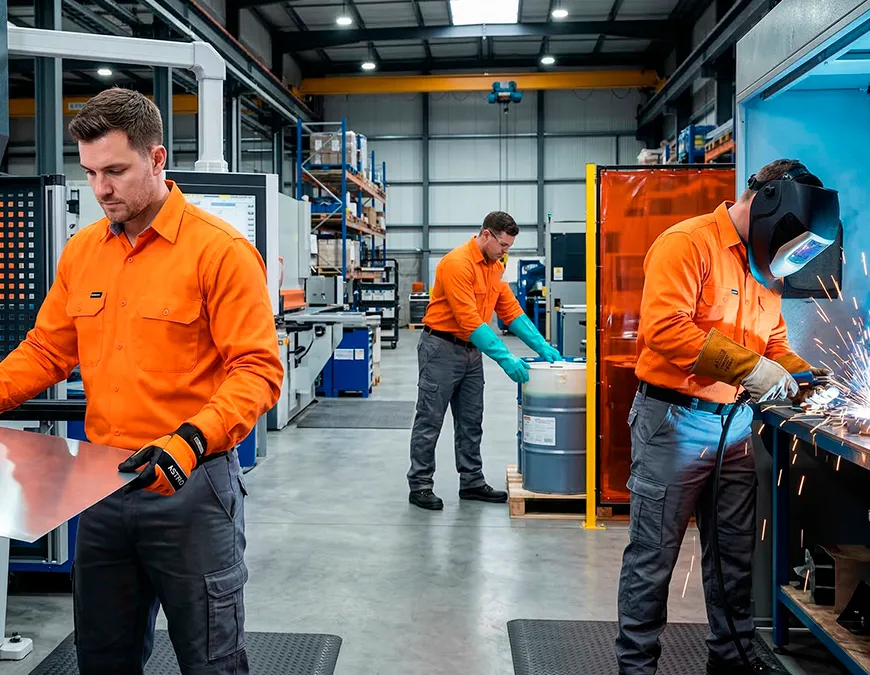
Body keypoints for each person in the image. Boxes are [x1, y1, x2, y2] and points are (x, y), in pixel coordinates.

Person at [0, 88, 283, 674]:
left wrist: (189, 440)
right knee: (103, 656)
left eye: (115, 171)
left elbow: (256, 370)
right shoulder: (82, 253)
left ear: (157, 159)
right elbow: (46, 349)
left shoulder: (220, 252)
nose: (100, 189)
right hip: (100, 490)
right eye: (90, 173)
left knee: (211, 659)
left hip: (191, 490)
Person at [615, 159, 839, 675]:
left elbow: (774, 343)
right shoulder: (687, 243)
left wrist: (808, 376)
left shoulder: (766, 263)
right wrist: (752, 368)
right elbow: (665, 330)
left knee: (734, 559)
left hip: (735, 427)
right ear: (766, 203)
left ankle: (731, 659)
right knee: (654, 560)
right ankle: (636, 667)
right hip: (673, 424)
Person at [407, 212, 563, 511]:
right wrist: (505, 358)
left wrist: (542, 346)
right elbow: (468, 320)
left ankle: (472, 482)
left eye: (509, 247)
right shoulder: (457, 264)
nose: (506, 251)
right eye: (503, 245)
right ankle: (421, 484)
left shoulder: (495, 267)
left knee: (471, 420)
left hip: (471, 352)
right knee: (430, 419)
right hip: (441, 348)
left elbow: (511, 311)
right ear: (486, 235)